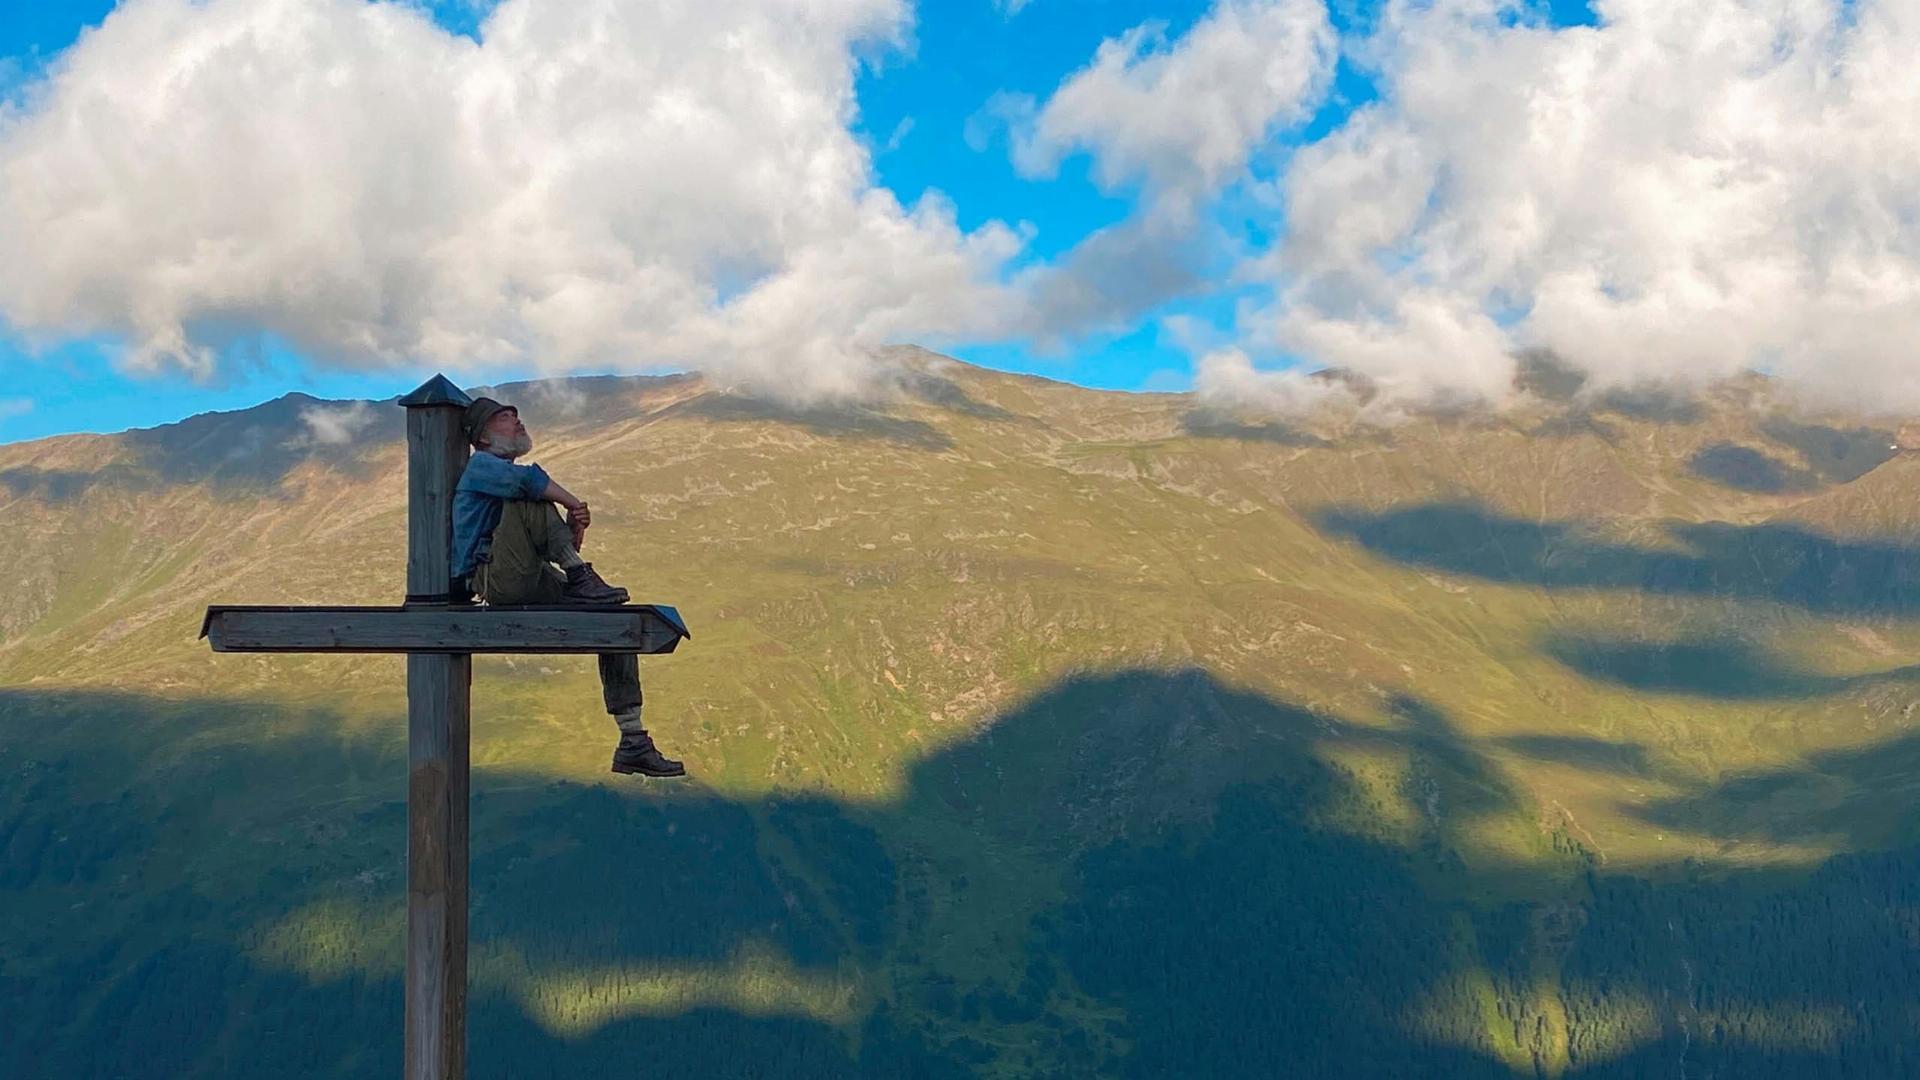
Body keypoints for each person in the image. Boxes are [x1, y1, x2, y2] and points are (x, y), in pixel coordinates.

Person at [450, 393, 685, 778]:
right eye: (506, 418)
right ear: (484, 437)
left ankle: (633, 740)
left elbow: (542, 539)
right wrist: (574, 505)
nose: (518, 422)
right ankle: (579, 575)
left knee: (613, 619)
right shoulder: (482, 468)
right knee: (529, 493)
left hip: (525, 574)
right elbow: (530, 484)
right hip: (495, 579)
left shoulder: (500, 475)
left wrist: (571, 529)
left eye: (516, 415)